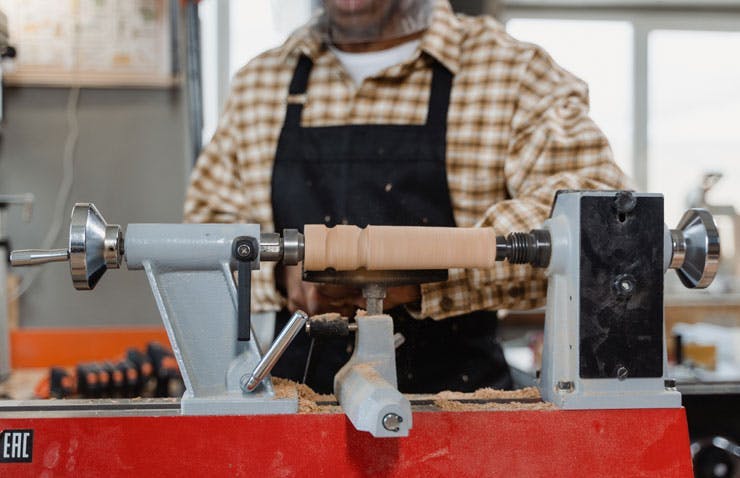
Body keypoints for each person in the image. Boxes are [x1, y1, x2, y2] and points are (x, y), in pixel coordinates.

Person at [184, 0, 630, 394]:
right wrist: (285, 275)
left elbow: (600, 219)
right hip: (298, 404)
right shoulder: (262, 82)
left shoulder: (512, 73)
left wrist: (422, 272)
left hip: (460, 404)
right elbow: (206, 231)